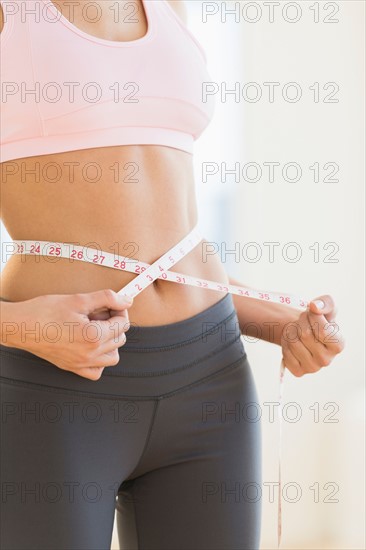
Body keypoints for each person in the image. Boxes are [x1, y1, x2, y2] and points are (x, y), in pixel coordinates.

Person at [0, 1, 344, 549]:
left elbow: (159, 228)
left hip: (209, 370)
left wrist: (275, 322)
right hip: (59, 382)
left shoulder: (168, 7)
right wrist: (17, 326)